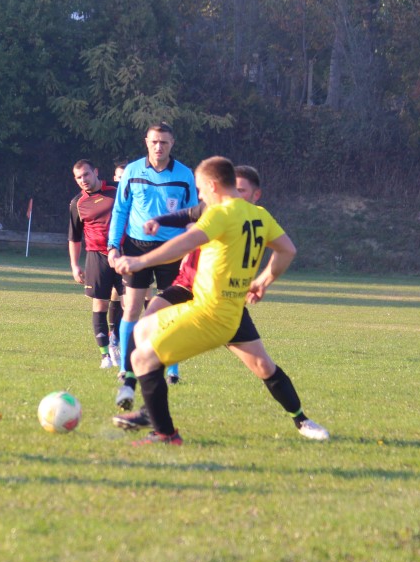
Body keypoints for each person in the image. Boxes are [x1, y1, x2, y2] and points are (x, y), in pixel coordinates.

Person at [113, 165, 328, 441]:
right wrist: (263, 281)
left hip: (214, 312)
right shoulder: (256, 215)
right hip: (206, 299)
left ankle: (166, 433)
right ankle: (150, 410)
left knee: (261, 365)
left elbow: (184, 244)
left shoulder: (222, 214)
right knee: (145, 330)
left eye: (201, 189)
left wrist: (139, 261)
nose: (200, 197)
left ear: (214, 186)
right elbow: (287, 249)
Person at [107, 124, 197, 409]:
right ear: (146, 142)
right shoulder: (133, 171)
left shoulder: (185, 175)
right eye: (154, 142)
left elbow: (192, 215)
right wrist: (113, 246)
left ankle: (172, 368)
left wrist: (190, 250)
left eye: (164, 142)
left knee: (171, 312)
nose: (159, 147)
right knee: (132, 308)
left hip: (172, 250)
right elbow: (120, 210)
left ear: (173, 143)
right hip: (137, 248)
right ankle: (125, 366)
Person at [68, 159, 125, 369]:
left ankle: (116, 339)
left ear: (96, 172)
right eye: (78, 177)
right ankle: (105, 356)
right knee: (100, 304)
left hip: (123, 254)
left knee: (129, 303)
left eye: (86, 174)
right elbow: (74, 238)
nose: (83, 180)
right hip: (96, 257)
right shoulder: (77, 203)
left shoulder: (116, 190)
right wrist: (75, 265)